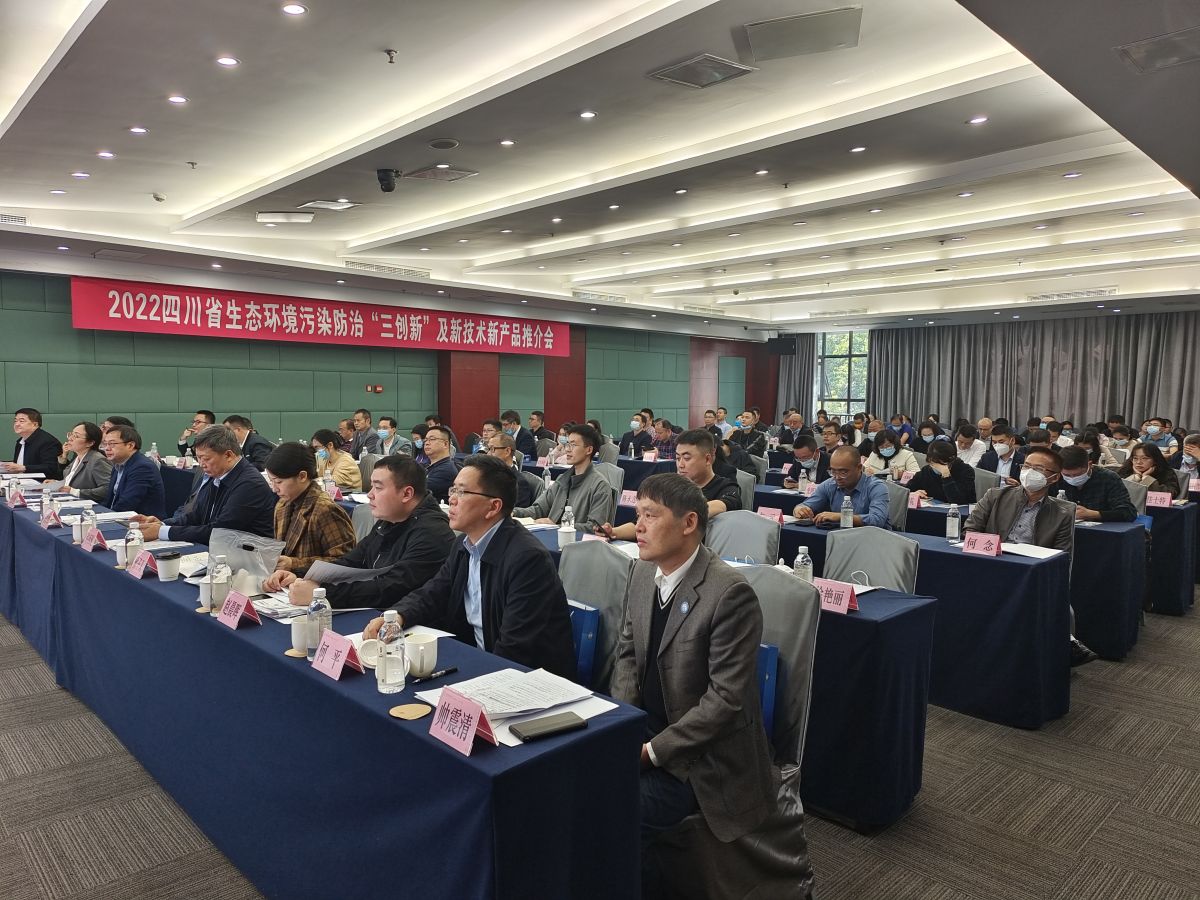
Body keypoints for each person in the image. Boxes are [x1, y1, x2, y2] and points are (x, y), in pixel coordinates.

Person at [609, 474, 785, 872]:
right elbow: (627, 656)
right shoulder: (642, 572)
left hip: (701, 761)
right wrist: (622, 724)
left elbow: (724, 701)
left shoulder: (729, 593)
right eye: (638, 514)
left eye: (650, 515)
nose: (638, 526)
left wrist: (651, 752)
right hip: (644, 730)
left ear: (689, 523)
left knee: (611, 808)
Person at [362, 455, 576, 677]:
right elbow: (433, 593)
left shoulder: (527, 560)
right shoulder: (464, 544)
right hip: (481, 659)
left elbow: (516, 648)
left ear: (493, 507)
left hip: (525, 678)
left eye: (462, 492)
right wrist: (398, 616)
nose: (452, 499)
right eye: (453, 490)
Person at [965, 448, 1098, 666]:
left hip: (1031, 572)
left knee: (1056, 603)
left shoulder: (1064, 511)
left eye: (1038, 469)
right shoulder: (995, 495)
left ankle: (1056, 652)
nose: (1029, 472)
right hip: (992, 564)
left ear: (1054, 478)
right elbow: (970, 531)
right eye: (1026, 466)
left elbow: (1062, 557)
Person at [273, 456, 455, 609]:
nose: (370, 494)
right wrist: (301, 576)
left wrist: (322, 594)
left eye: (378, 487)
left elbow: (392, 588)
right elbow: (350, 563)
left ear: (406, 494)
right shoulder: (389, 521)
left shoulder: (432, 533)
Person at [134, 425, 276, 543]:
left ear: (228, 455)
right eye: (199, 458)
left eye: (206, 459)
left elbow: (220, 532)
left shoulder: (249, 484)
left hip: (247, 557)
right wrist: (163, 524)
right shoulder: (218, 474)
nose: (201, 464)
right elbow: (197, 516)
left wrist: (162, 532)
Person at [598, 429, 740, 541]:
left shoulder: (726, 487)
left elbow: (723, 504)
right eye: (677, 458)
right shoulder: (670, 488)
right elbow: (640, 523)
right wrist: (613, 532)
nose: (680, 464)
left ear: (708, 459)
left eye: (687, 458)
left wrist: (670, 517)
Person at [260, 443, 354, 575]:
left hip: (315, 584)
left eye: (279, 482)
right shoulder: (282, 504)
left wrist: (294, 564)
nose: (275, 489)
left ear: (302, 476)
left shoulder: (325, 510)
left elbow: (345, 562)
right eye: (272, 482)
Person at [513, 423, 614, 531]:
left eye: (573, 445)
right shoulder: (562, 479)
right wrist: (513, 512)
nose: (567, 450)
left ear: (589, 450)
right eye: (567, 444)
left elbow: (595, 528)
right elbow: (538, 510)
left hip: (576, 541)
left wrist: (557, 526)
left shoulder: (600, 486)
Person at [792, 446, 890, 527]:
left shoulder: (876, 487)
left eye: (843, 472)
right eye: (833, 471)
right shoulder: (830, 484)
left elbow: (877, 520)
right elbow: (806, 505)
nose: (837, 477)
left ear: (859, 468)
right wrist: (800, 509)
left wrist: (842, 517)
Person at [98, 424, 166, 518]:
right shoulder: (118, 464)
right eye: (105, 444)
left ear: (130, 445)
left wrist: (104, 517)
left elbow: (128, 503)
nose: (107, 448)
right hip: (119, 517)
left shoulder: (143, 467)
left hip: (142, 522)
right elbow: (109, 500)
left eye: (112, 444)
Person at [1055, 445, 1136, 522]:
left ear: (1089, 465)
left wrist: (1093, 514)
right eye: (1067, 475)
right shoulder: (1056, 478)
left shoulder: (1108, 478)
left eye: (1077, 474)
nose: (1072, 478)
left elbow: (1128, 512)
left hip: (1103, 528)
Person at [55, 422, 112, 500]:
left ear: (90, 443)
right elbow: (70, 483)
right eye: (71, 434)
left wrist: (76, 492)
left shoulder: (97, 460)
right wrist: (56, 484)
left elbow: (108, 488)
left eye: (76, 436)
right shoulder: (78, 457)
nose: (70, 438)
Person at [906, 439, 976, 503]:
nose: (936, 467)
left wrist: (946, 476)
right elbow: (906, 490)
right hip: (933, 509)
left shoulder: (966, 471)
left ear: (951, 461)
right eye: (933, 463)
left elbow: (958, 501)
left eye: (941, 464)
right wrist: (913, 493)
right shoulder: (926, 471)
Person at [485, 431, 541, 507]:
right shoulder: (488, 475)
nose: (488, 454)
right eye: (488, 449)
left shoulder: (518, 483)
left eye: (492, 449)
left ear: (507, 451)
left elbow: (516, 511)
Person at [4, 408, 62, 478]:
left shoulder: (47, 441)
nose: (17, 424)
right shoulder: (20, 441)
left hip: (43, 482)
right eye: (15, 421)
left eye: (21, 421)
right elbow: (21, 464)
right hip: (22, 480)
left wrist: (23, 468)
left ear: (35, 424)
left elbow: (51, 467)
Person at [423, 425, 461, 503]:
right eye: (425, 440)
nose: (427, 443)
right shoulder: (427, 466)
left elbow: (417, 489)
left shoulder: (446, 470)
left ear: (445, 444)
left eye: (432, 439)